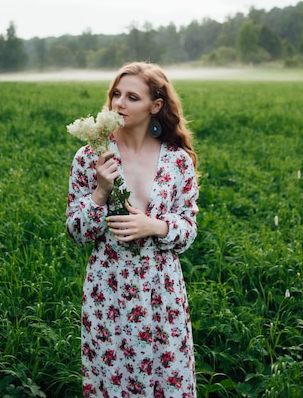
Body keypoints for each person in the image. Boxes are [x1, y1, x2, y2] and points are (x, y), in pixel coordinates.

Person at [66, 61, 199, 397]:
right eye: (116, 94)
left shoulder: (177, 160)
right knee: (112, 381)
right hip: (108, 289)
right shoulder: (91, 156)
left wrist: (154, 225)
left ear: (155, 106)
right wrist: (100, 192)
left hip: (162, 290)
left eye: (132, 97)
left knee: (168, 379)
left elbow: (188, 228)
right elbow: (77, 232)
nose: (119, 103)